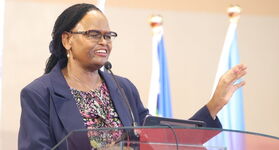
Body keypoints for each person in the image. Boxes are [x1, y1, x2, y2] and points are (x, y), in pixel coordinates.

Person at [18, 3, 247, 150]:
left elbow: (160, 141)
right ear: (67, 39)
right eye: (93, 34)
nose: (104, 42)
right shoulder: (39, 94)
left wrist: (214, 105)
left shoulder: (123, 88)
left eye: (109, 36)